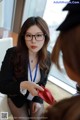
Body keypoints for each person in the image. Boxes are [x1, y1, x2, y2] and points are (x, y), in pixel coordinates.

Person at [0, 16, 51, 120]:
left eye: (38, 35)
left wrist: (38, 100)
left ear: (45, 37)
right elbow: (2, 86)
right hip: (16, 96)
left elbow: (43, 82)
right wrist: (23, 85)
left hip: (35, 96)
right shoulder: (12, 54)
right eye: (29, 35)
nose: (33, 41)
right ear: (23, 37)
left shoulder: (47, 57)